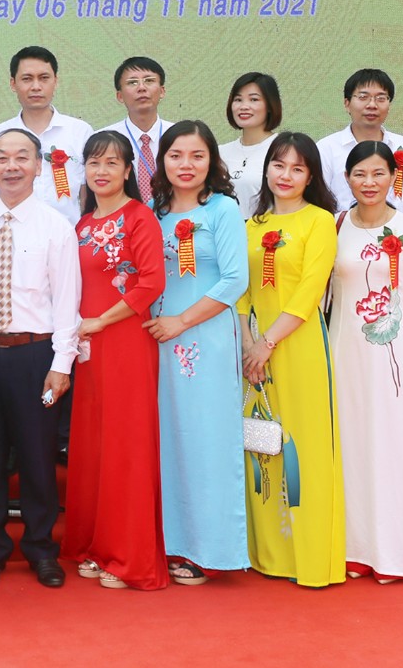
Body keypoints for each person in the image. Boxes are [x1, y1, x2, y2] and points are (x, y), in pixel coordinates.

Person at [0, 128, 78, 589]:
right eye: (2, 158)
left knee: (37, 457)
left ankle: (40, 549)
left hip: (35, 355)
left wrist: (61, 364)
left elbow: (67, 301)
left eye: (22, 157)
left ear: (38, 166)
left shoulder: (56, 226)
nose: (11, 166)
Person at [62, 131, 169, 591]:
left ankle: (129, 557)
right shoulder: (83, 224)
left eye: (111, 162)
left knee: (126, 446)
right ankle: (97, 545)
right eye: (93, 162)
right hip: (88, 347)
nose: (101, 171)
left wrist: (101, 321)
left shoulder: (140, 218)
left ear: (129, 171)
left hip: (125, 341)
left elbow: (151, 282)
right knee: (95, 445)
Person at [144, 121, 249, 584]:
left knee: (207, 439)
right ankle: (170, 542)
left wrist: (182, 322)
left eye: (197, 156)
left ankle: (210, 549)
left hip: (204, 339)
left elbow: (235, 280)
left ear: (212, 161)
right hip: (157, 340)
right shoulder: (154, 211)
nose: (186, 165)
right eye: (176, 155)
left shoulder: (223, 209)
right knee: (169, 439)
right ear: (162, 160)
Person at [331, 140, 403, 581]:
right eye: (360, 174)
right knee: (352, 445)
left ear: (393, 178)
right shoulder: (337, 225)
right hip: (344, 351)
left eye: (379, 173)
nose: (369, 182)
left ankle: (398, 553)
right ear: (347, 179)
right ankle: (357, 549)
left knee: (395, 446)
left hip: (394, 353)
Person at [237, 132, 344, 588]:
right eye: (279, 165)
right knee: (261, 442)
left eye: (297, 168)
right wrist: (249, 342)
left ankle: (310, 557)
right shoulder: (251, 224)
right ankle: (268, 553)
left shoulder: (320, 221)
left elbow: (309, 291)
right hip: (254, 351)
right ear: (266, 170)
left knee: (303, 444)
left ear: (311, 176)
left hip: (298, 345)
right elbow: (241, 290)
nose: (286, 175)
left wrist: (267, 343)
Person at [0, 46, 92, 225]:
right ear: (13, 84)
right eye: (27, 79)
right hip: (13, 232)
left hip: (69, 233)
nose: (36, 87)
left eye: (44, 78)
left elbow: (87, 193)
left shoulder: (80, 132)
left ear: (56, 81)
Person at [318, 68, 403, 218]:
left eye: (381, 98)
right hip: (342, 229)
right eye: (363, 97)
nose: (372, 105)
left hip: (398, 231)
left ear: (389, 104)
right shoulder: (326, 148)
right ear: (347, 104)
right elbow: (319, 200)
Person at [99, 57, 171, 205]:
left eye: (149, 81)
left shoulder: (179, 136)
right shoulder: (104, 139)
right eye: (132, 82)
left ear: (162, 91)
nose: (141, 88)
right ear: (119, 96)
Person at [218, 73, 282, 218]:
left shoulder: (282, 150)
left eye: (254, 99)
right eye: (238, 100)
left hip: (268, 229)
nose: (244, 106)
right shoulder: (220, 153)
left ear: (270, 105)